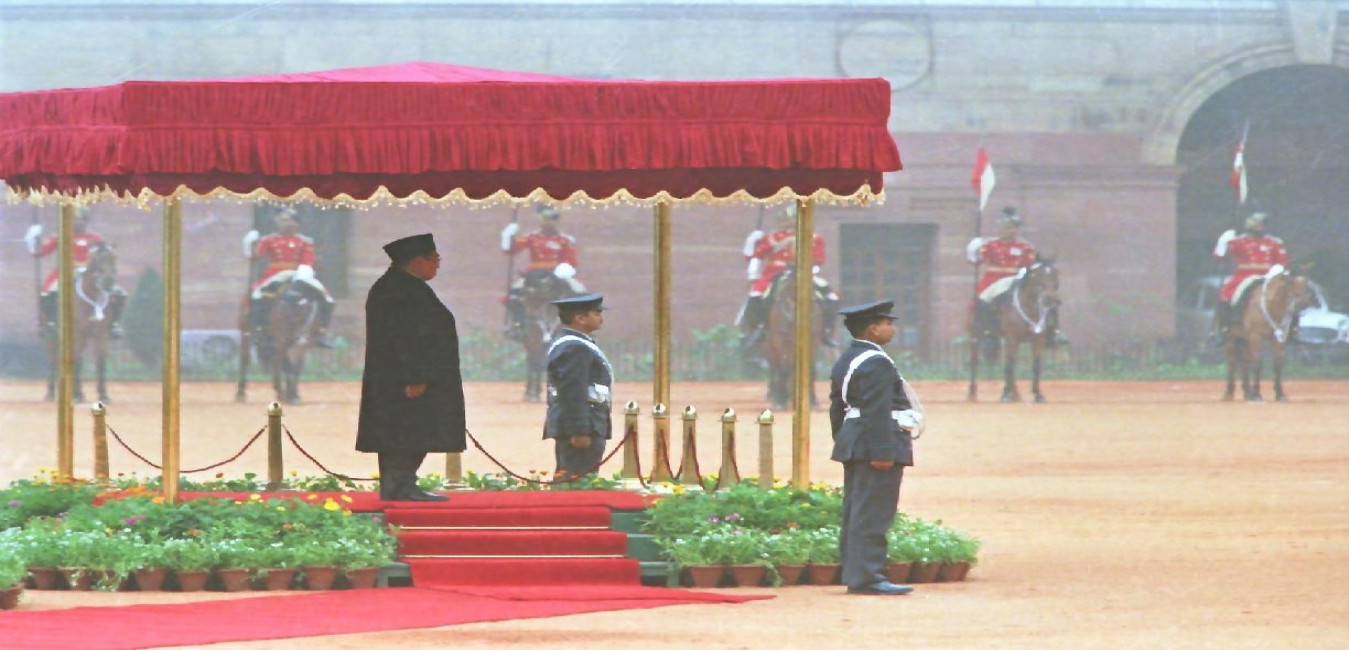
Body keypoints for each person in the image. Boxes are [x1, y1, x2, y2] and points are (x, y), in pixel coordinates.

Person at [356, 234, 464, 502]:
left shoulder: (402, 286)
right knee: (405, 431)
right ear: (416, 261)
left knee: (410, 431)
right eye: (433, 259)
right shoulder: (399, 290)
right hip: (406, 380)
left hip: (409, 376)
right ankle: (399, 486)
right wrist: (417, 376)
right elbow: (405, 337)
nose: (437, 264)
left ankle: (401, 484)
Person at [829, 300, 923, 596]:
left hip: (856, 440)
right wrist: (882, 452)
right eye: (887, 323)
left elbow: (837, 407)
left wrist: (845, 440)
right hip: (875, 443)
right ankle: (867, 576)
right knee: (873, 513)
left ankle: (856, 571)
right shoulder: (876, 362)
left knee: (858, 510)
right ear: (873, 329)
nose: (892, 328)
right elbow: (877, 409)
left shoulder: (848, 358)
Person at [738, 204, 841, 350]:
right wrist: (752, 245)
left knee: (831, 297)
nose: (792, 222)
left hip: (804, 272)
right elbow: (756, 256)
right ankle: (758, 328)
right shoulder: (773, 238)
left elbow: (818, 259)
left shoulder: (813, 238)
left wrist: (811, 270)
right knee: (756, 295)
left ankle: (826, 331)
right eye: (790, 219)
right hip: (774, 273)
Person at [966, 206, 1065, 347]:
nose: (1013, 231)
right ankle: (985, 331)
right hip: (995, 279)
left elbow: (1031, 263)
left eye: (1015, 229)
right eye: (1009, 228)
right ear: (1001, 229)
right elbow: (976, 261)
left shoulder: (1025, 247)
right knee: (983, 301)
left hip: (1017, 277)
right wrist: (972, 249)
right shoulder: (991, 245)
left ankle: (1052, 332)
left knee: (1048, 299)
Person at [25, 209, 127, 338]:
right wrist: (33, 239)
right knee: (49, 292)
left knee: (119, 293)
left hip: (91, 272)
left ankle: (114, 324)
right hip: (66, 272)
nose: (79, 222)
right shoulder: (60, 237)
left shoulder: (95, 239)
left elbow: (105, 253)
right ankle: (51, 323)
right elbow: (39, 252)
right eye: (76, 219)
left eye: (82, 219)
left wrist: (108, 250)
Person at [544, 293, 614, 482]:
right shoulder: (575, 347)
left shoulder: (576, 343)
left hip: (587, 423)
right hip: (583, 426)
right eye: (596, 313)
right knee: (576, 481)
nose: (601, 318)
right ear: (580, 318)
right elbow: (572, 391)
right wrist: (579, 430)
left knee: (576, 479)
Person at [242, 209, 336, 348]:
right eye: (284, 221)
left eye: (291, 221)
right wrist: (249, 245)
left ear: (297, 224)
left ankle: (320, 333)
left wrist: (303, 273)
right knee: (257, 295)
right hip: (275, 273)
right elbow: (256, 256)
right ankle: (258, 330)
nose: (287, 224)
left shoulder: (304, 242)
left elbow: (308, 260)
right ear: (277, 223)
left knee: (327, 298)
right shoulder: (269, 240)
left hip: (299, 274)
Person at [501, 206, 585, 341]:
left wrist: (565, 268)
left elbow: (571, 260)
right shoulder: (531, 238)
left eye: (551, 219)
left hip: (557, 272)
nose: (548, 222)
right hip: (534, 273)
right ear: (540, 220)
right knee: (512, 296)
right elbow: (511, 250)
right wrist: (508, 235)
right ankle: (518, 325)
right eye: (545, 219)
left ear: (556, 221)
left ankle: (579, 328)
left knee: (581, 292)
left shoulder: (564, 240)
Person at [1212, 210, 1289, 337]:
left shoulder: (1274, 242)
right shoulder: (1238, 241)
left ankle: (1291, 330)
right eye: (1258, 224)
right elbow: (1220, 258)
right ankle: (1225, 328)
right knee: (1227, 296)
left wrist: (1275, 271)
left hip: (1269, 276)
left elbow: (1282, 261)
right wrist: (1222, 243)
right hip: (1244, 276)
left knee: (1290, 298)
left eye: (1263, 224)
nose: (1261, 227)